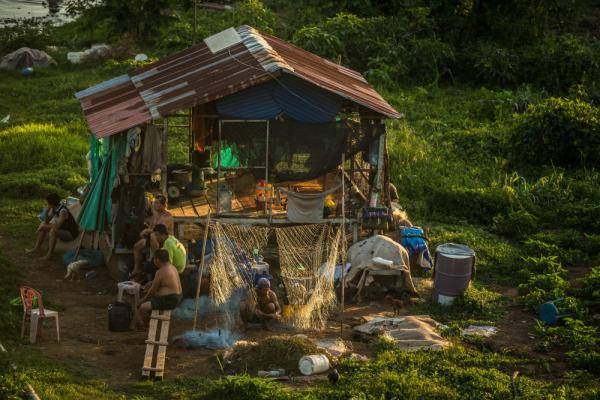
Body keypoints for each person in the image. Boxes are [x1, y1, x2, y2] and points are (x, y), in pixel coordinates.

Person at [137, 249, 182, 328]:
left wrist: (143, 300)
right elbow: (165, 280)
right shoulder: (172, 267)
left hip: (170, 300)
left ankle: (147, 325)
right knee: (152, 299)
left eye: (154, 259)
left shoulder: (160, 271)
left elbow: (152, 291)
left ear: (157, 260)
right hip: (178, 297)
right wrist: (152, 282)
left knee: (143, 308)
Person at [131, 195, 174, 279]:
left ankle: (156, 257)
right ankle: (137, 268)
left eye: (157, 203)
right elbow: (151, 227)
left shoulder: (167, 216)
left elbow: (160, 232)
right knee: (136, 246)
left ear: (163, 205)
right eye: (154, 202)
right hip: (153, 239)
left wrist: (147, 231)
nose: (154, 204)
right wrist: (146, 231)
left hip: (164, 241)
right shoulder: (155, 215)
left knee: (153, 236)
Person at [26, 193, 79, 260]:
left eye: (47, 203)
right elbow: (46, 221)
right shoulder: (55, 208)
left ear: (51, 204)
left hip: (70, 234)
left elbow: (57, 226)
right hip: (63, 230)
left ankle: (49, 254)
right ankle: (37, 248)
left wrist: (44, 226)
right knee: (44, 226)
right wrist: (46, 212)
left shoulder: (62, 211)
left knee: (53, 231)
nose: (47, 204)